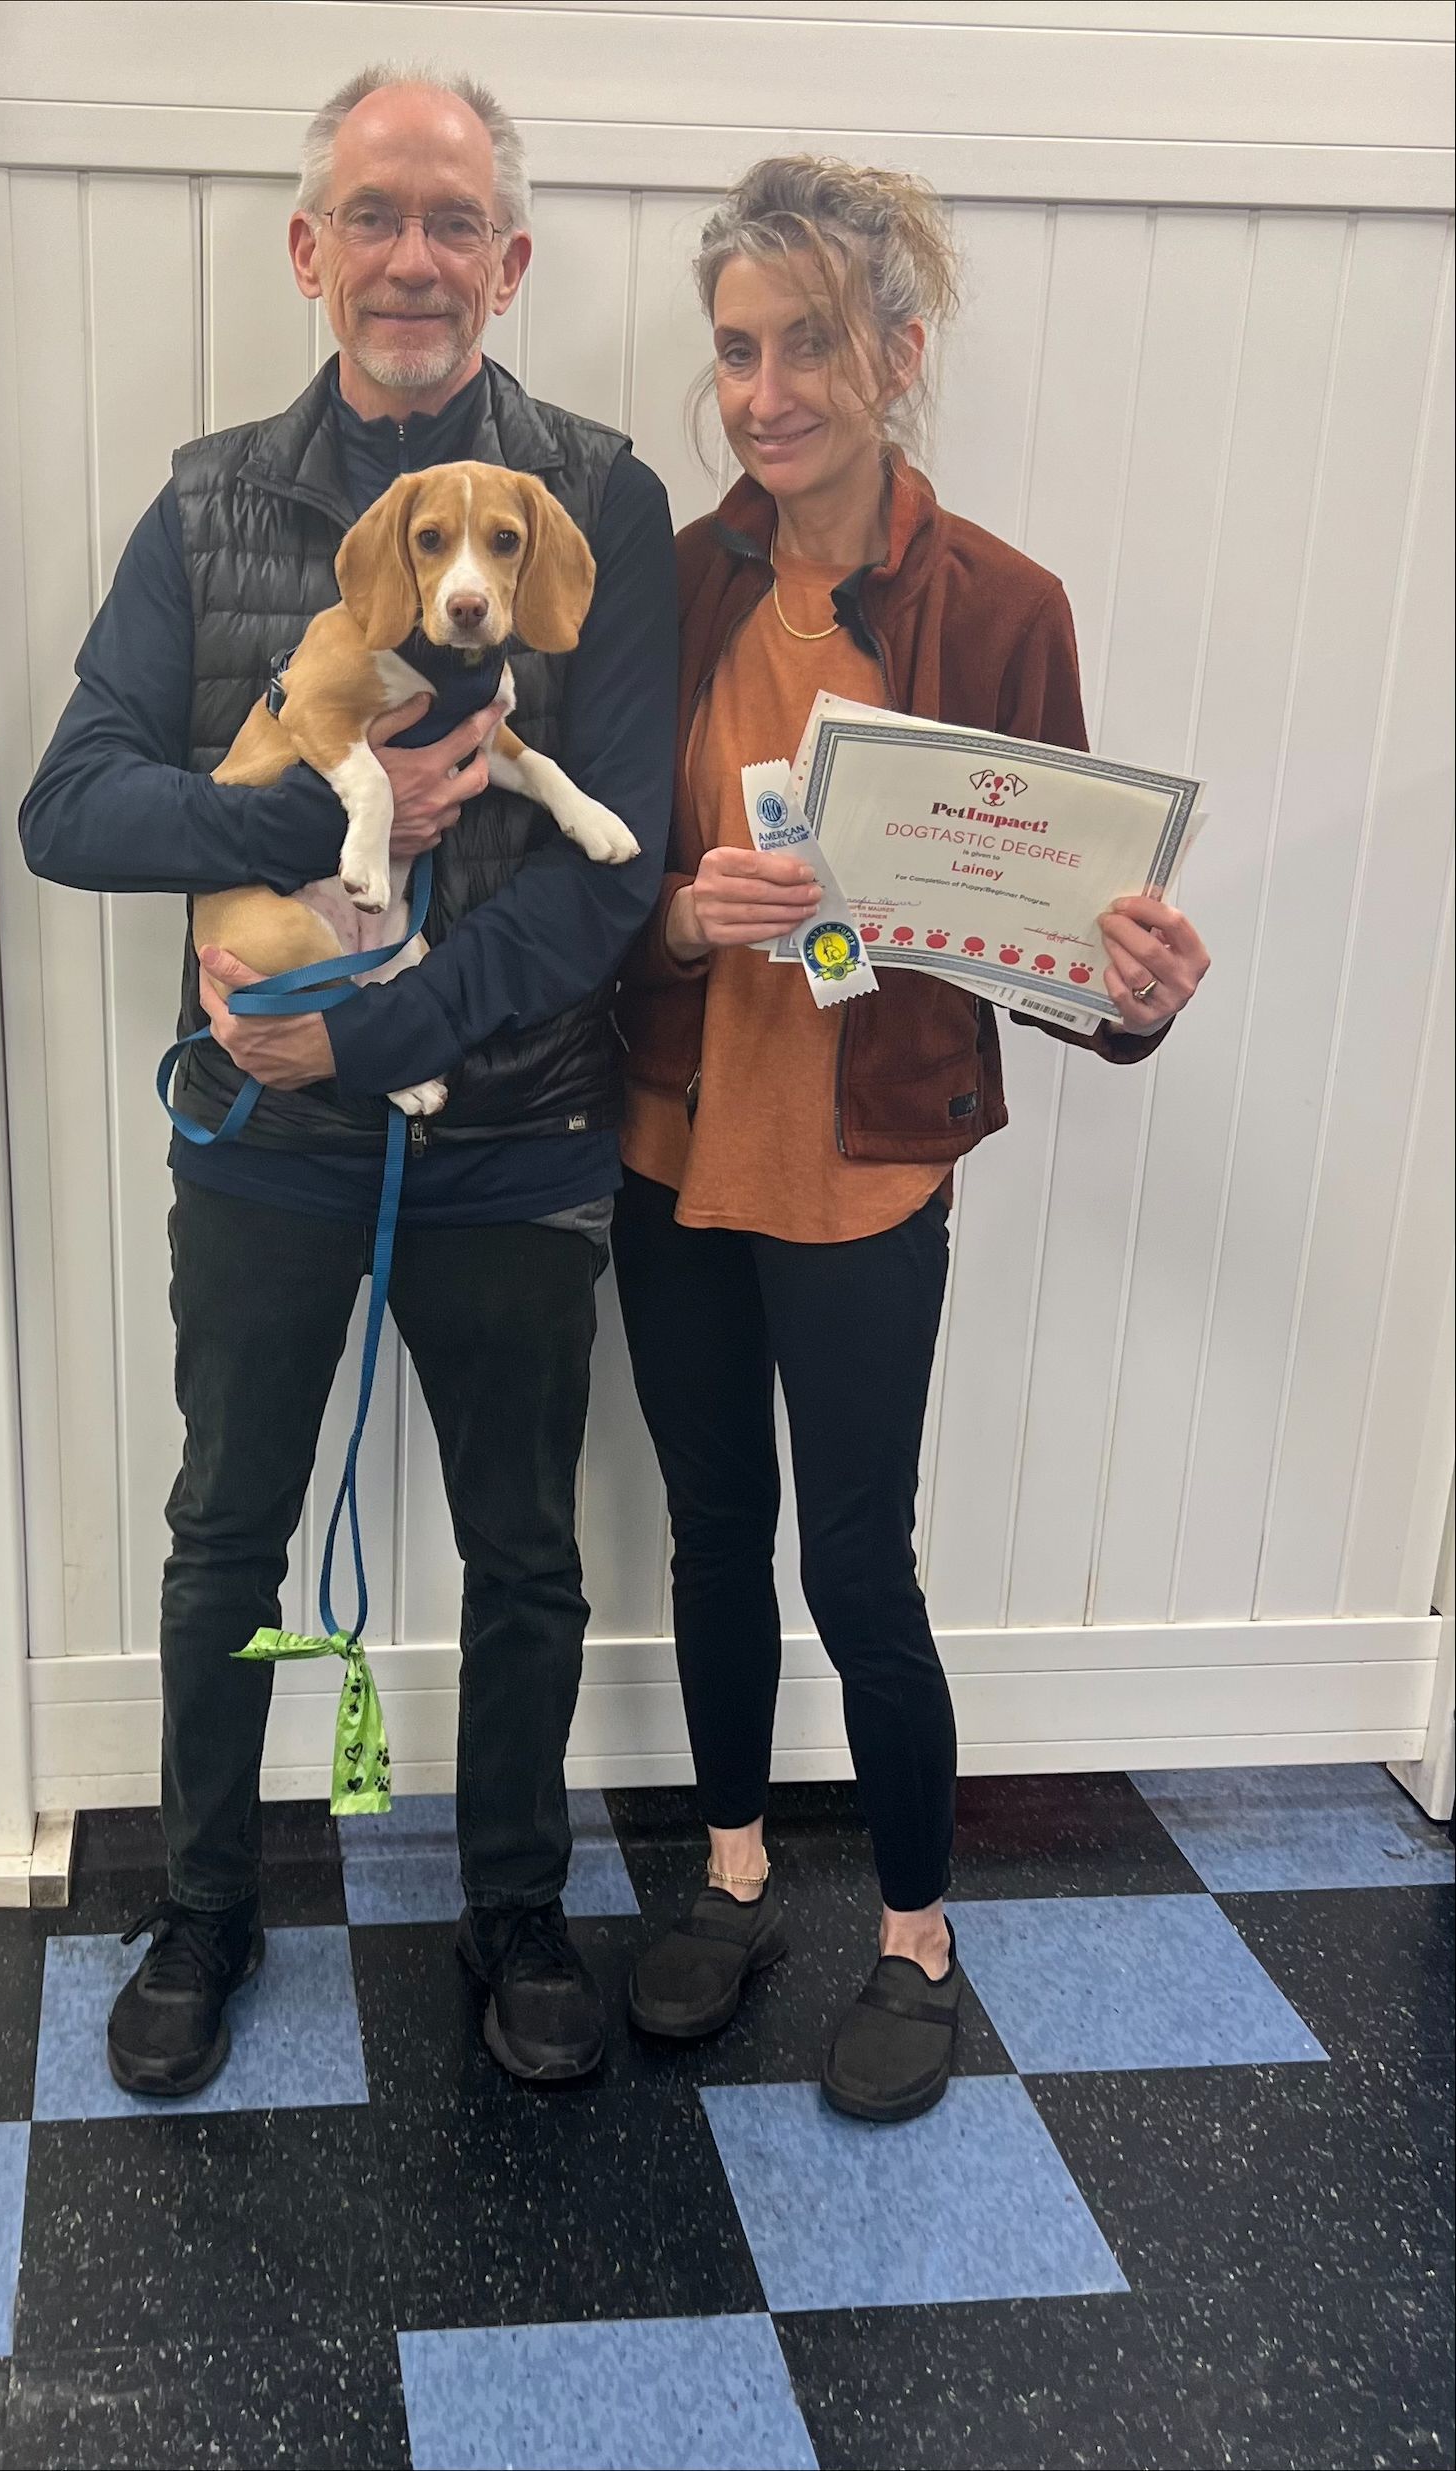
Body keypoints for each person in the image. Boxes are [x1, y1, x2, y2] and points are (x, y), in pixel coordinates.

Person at [19, 66, 675, 2093]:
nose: (412, 257)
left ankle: (515, 1913)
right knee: (225, 1530)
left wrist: (377, 1030)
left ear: (509, 262)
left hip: (518, 1130)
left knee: (526, 1554)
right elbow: (73, 808)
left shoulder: (599, 497)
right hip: (265, 1139)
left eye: (452, 220)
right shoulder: (206, 502)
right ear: (310, 250)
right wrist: (323, 807)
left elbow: (613, 874)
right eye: (374, 215)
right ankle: (204, 1910)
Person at [611, 157, 1209, 2123]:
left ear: (898, 352)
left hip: (867, 1171)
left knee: (860, 1561)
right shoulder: (671, 585)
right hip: (678, 1150)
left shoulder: (1002, 607)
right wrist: (675, 918)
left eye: (807, 347)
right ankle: (730, 1872)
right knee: (714, 1536)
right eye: (735, 352)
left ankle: (916, 1935)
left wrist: (1132, 987)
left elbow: (1050, 941)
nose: (765, 394)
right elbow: (593, 888)